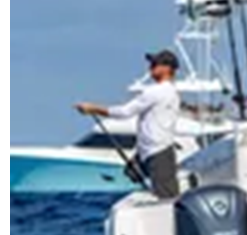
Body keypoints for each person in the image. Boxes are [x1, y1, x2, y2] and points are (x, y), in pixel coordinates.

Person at [75, 50, 181, 199]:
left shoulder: (156, 92)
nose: (150, 67)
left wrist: (92, 109)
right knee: (137, 177)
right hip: (150, 153)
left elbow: (125, 112)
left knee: (167, 199)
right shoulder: (171, 92)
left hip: (159, 155)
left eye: (155, 64)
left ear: (167, 68)